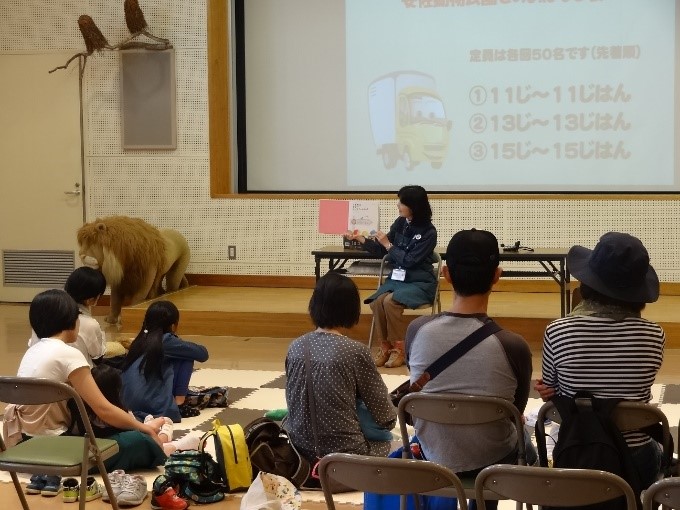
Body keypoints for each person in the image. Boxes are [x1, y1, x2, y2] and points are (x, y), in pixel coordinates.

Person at [405, 229, 533, 510]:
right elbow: (516, 412)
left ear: (447, 274)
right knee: (527, 440)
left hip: (433, 453)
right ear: (497, 275)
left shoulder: (416, 331)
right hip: (493, 461)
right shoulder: (513, 345)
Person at [534, 231, 665, 490]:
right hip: (634, 460)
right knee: (659, 452)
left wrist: (552, 392)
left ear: (588, 283)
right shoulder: (654, 335)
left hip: (575, 451)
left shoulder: (558, 330)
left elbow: (551, 391)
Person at [4, 289, 162, 495]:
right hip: (56, 449)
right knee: (140, 442)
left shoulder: (32, 350)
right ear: (70, 320)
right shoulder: (70, 355)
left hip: (24, 444)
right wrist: (144, 429)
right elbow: (103, 409)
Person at [283, 272, 397, 467]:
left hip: (298, 456)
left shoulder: (295, 347)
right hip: (347, 458)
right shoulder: (355, 351)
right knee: (404, 446)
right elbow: (386, 417)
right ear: (351, 309)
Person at [344, 185, 437, 368]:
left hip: (420, 282)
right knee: (377, 301)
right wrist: (361, 239)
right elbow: (381, 249)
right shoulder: (401, 222)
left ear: (414, 206)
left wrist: (389, 245)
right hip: (397, 280)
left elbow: (410, 261)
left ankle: (400, 348)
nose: (398, 205)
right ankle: (385, 346)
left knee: (389, 302)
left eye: (402, 202)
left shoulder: (428, 232)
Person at [74, 364, 199, 456]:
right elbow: (137, 430)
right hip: (127, 443)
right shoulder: (118, 412)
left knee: (152, 424)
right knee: (164, 422)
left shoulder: (81, 409)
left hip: (101, 445)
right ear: (117, 390)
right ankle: (176, 444)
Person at [121, 300, 209, 422]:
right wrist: (178, 340)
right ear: (173, 325)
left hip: (125, 404)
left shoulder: (139, 340)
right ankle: (179, 403)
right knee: (186, 355)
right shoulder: (166, 340)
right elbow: (202, 354)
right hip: (153, 407)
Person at [28, 267, 107, 367]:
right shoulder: (87, 323)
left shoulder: (44, 311)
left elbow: (32, 345)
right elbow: (98, 357)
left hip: (35, 371)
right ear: (90, 300)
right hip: (75, 376)